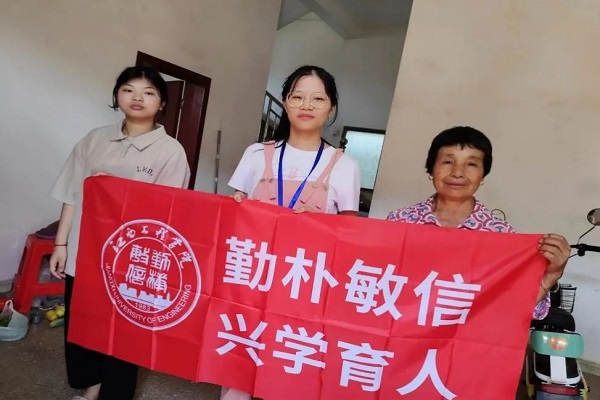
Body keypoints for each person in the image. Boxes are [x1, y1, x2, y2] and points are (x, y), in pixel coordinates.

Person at [49, 66, 190, 400]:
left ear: (162, 103)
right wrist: (61, 243)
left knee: (124, 329)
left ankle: (114, 392)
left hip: (133, 259)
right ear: (117, 96)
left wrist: (118, 191)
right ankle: (90, 387)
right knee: (83, 323)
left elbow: (167, 214)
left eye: (149, 92)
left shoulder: (170, 151)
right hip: (84, 250)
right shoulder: (94, 139)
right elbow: (73, 194)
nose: (137, 97)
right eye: (128, 89)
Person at [223, 65, 361, 400]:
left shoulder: (346, 166)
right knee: (241, 353)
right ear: (285, 102)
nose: (306, 105)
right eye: (297, 96)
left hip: (306, 283)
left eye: (318, 99)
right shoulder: (256, 154)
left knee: (291, 358)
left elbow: (350, 234)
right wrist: (238, 207)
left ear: (331, 108)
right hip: (253, 276)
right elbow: (232, 217)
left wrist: (321, 224)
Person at [386, 126, 570, 320]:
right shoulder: (400, 221)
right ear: (431, 168)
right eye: (448, 161)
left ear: (483, 175)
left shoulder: (502, 235)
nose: (457, 173)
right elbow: (377, 285)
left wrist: (552, 275)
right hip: (403, 332)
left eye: (471, 164)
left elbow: (516, 309)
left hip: (464, 337)